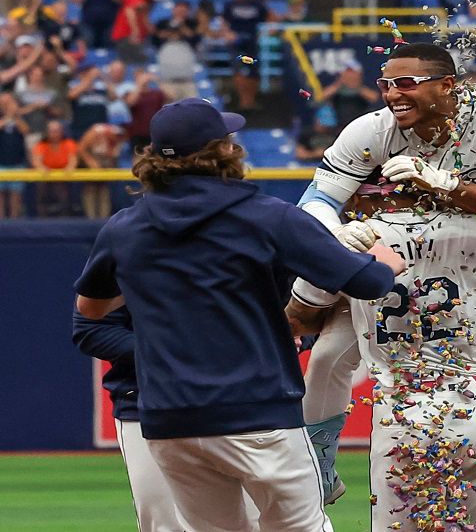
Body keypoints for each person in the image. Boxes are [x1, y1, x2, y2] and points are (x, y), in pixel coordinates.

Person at [73, 97, 403, 532]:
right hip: (257, 413)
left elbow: (90, 311)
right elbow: (367, 283)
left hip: (171, 420)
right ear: (223, 149)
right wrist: (387, 259)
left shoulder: (124, 228)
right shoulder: (266, 217)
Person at [296, 42, 476, 531]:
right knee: (324, 358)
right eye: (386, 83)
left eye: (405, 83)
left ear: (448, 85)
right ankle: (320, 468)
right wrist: (337, 230)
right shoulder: (372, 129)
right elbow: (316, 200)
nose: (391, 94)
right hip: (403, 256)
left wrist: (445, 184)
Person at [287, 207, 476, 531]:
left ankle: (318, 467)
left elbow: (300, 316)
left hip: (402, 413)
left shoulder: (356, 240)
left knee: (326, 359)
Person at [72, 307, 185, 531]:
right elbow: (91, 328)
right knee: (166, 526)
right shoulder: (130, 270)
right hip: (149, 405)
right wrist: (174, 354)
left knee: (252, 523)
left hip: (243, 407)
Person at [76, 122, 124, 218]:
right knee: (91, 189)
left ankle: (103, 217)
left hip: (103, 162)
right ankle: (91, 217)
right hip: (88, 159)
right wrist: (91, 162)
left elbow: (113, 157)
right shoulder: (96, 132)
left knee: (104, 190)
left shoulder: (118, 140)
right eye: (115, 135)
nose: (116, 137)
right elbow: (81, 149)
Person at [31, 119, 77, 217]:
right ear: (47, 132)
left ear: (61, 132)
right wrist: (42, 168)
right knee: (41, 190)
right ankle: (42, 218)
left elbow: (73, 160)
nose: (54, 134)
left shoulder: (69, 143)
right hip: (46, 176)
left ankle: (65, 216)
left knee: (63, 193)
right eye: (52, 131)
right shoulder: (41, 144)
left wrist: (68, 168)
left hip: (63, 177)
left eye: (57, 131)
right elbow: (36, 161)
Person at [0, 93, 29, 218]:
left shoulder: (19, 118)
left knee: (15, 196)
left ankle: (14, 221)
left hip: (17, 162)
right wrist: (7, 117)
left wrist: (15, 116)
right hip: (1, 162)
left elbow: (26, 130)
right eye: (4, 103)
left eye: (9, 102)